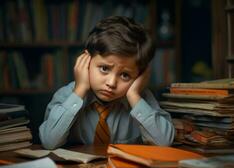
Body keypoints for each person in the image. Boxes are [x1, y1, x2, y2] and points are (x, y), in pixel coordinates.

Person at [39, 16, 175, 150]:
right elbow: (49, 142)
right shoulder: (68, 95)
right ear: (86, 60)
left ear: (140, 75)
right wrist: (80, 89)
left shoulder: (141, 99)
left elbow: (163, 143)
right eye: (104, 69)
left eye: (125, 75)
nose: (111, 83)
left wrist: (134, 95)